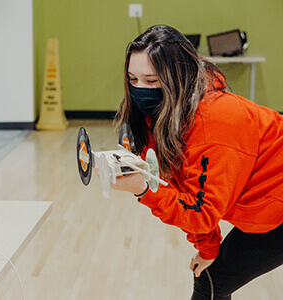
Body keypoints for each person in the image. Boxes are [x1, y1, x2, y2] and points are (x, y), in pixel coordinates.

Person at [113, 24, 283, 299]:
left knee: (212, 282)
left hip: (278, 203)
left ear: (178, 76)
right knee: (212, 279)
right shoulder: (162, 113)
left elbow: (199, 213)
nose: (139, 89)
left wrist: (145, 190)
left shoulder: (215, 123)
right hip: (267, 202)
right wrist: (208, 249)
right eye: (133, 79)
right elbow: (187, 193)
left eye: (151, 80)